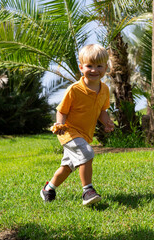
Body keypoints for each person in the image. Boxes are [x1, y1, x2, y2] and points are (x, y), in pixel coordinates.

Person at [41, 44, 114, 206]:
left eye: (99, 66)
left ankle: (49, 188)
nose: (94, 70)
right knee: (87, 154)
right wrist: (59, 123)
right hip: (68, 132)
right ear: (81, 67)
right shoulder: (74, 89)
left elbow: (102, 110)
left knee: (68, 166)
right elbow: (62, 109)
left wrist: (107, 122)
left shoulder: (105, 90)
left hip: (84, 134)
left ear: (106, 67)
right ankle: (88, 191)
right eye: (89, 66)